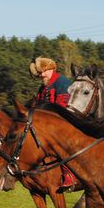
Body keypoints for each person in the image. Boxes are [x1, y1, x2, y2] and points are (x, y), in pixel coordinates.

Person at [29, 56, 76, 190]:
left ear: (51, 69)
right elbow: (36, 104)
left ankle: (69, 174)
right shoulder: (44, 86)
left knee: (61, 144)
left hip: (63, 121)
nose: (42, 75)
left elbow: (62, 106)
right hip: (47, 124)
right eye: (40, 72)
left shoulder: (61, 82)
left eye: (45, 71)